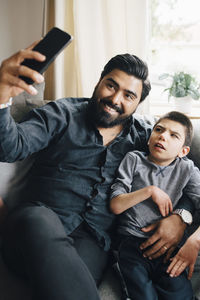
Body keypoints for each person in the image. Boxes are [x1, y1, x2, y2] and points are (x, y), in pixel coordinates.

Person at [0, 41, 194, 300]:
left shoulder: (145, 139)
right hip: (32, 230)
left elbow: (186, 175)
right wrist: (2, 96)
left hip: (91, 244)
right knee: (39, 220)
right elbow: (11, 147)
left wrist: (181, 217)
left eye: (129, 95)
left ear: (138, 105)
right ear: (99, 80)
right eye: (111, 85)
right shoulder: (62, 113)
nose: (115, 99)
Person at [110, 111, 200, 299]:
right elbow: (116, 205)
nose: (163, 136)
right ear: (150, 138)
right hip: (131, 244)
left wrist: (195, 240)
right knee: (143, 295)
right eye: (159, 130)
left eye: (173, 135)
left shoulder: (187, 169)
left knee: (180, 294)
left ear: (183, 151)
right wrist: (149, 191)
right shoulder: (134, 159)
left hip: (169, 251)